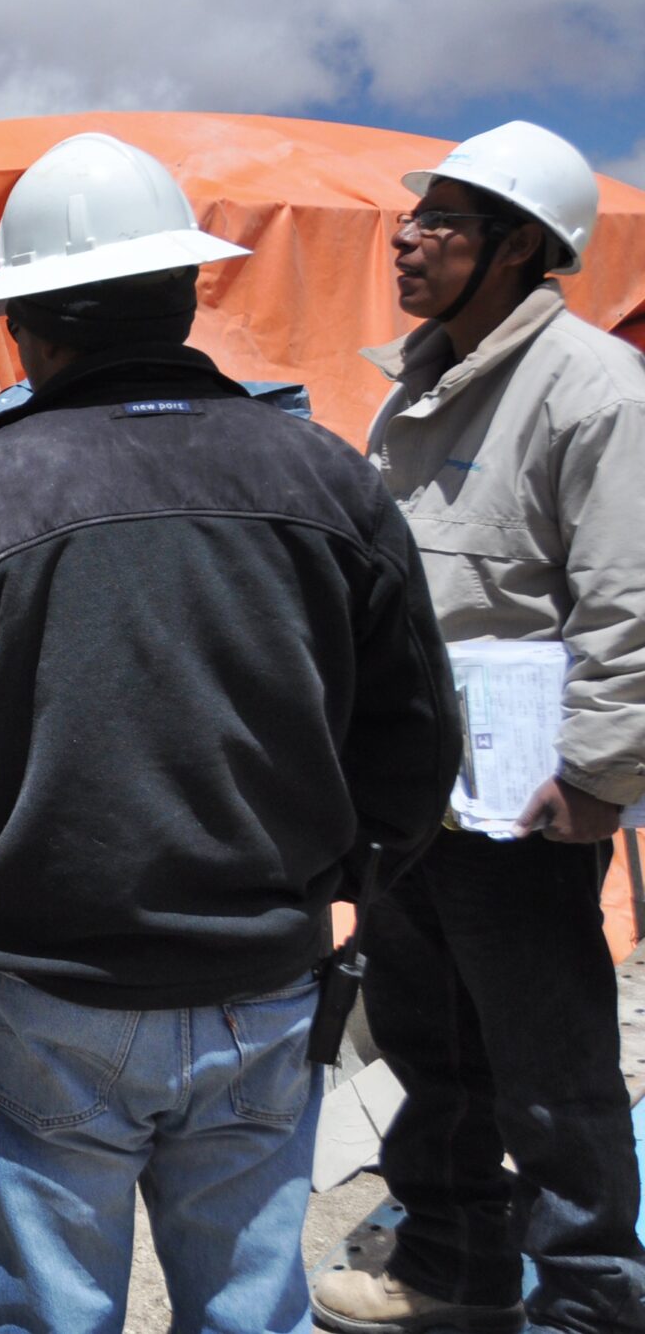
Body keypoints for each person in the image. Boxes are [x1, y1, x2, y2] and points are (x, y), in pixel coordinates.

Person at [0, 132, 457, 1334]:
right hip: (264, 986)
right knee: (249, 1305)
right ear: (184, 298)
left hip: (50, 992)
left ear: (29, 329)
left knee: (55, 1311)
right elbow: (416, 744)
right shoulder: (332, 482)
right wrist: (337, 882)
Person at [313, 122, 645, 1334]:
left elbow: (631, 595)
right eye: (415, 216)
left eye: (443, 220)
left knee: (547, 1066)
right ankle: (453, 1271)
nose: (407, 235)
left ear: (519, 249)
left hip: (528, 790)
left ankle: (591, 1304)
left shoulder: (594, 391)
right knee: (428, 1039)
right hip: (418, 786)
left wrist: (602, 771)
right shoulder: (420, 388)